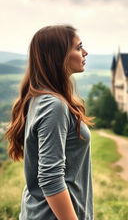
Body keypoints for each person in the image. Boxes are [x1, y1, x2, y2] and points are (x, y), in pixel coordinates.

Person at [5, 25, 94, 220]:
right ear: (59, 56)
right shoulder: (54, 105)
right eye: (79, 48)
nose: (85, 52)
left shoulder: (41, 97)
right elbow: (50, 179)